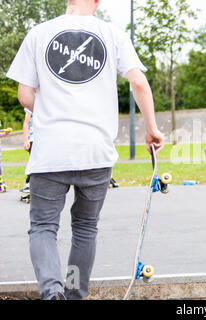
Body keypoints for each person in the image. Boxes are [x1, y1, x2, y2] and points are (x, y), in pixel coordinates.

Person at [6, 0, 164, 300]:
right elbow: (139, 83)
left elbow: (25, 95)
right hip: (96, 152)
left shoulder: (39, 33)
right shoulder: (112, 34)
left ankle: (53, 292)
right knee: (85, 228)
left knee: (43, 227)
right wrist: (151, 128)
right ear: (97, 1)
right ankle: (74, 293)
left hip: (50, 150)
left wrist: (53, 110)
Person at [21, 108, 34, 193]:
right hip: (33, 139)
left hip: (45, 139)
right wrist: (26, 140)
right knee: (33, 162)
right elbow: (26, 123)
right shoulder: (31, 104)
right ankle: (28, 183)